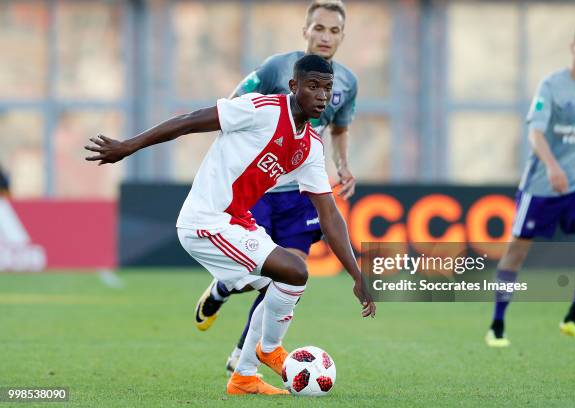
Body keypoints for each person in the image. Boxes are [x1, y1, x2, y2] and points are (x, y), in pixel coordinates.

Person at [85, 54, 375, 395]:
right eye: (313, 87)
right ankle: (267, 350)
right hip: (205, 222)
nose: (322, 96)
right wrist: (128, 145)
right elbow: (192, 120)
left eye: (327, 89)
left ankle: (244, 376)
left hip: (238, 223)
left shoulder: (310, 145)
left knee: (280, 284)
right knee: (295, 272)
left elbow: (329, 214)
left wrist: (356, 275)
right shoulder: (262, 109)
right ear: (294, 87)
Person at [192, 0, 359, 375]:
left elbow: (340, 127)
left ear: (342, 37)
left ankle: (243, 354)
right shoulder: (276, 68)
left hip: (301, 193)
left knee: (288, 273)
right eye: (319, 28)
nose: (325, 37)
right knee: (262, 271)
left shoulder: (347, 83)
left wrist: (343, 164)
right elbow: (234, 103)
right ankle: (222, 289)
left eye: (334, 31)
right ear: (305, 31)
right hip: (261, 190)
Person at [485, 23, 575, 348]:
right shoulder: (551, 85)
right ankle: (497, 325)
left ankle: (574, 317)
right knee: (516, 253)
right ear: (573, 48)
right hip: (542, 185)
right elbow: (535, 133)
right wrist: (553, 166)